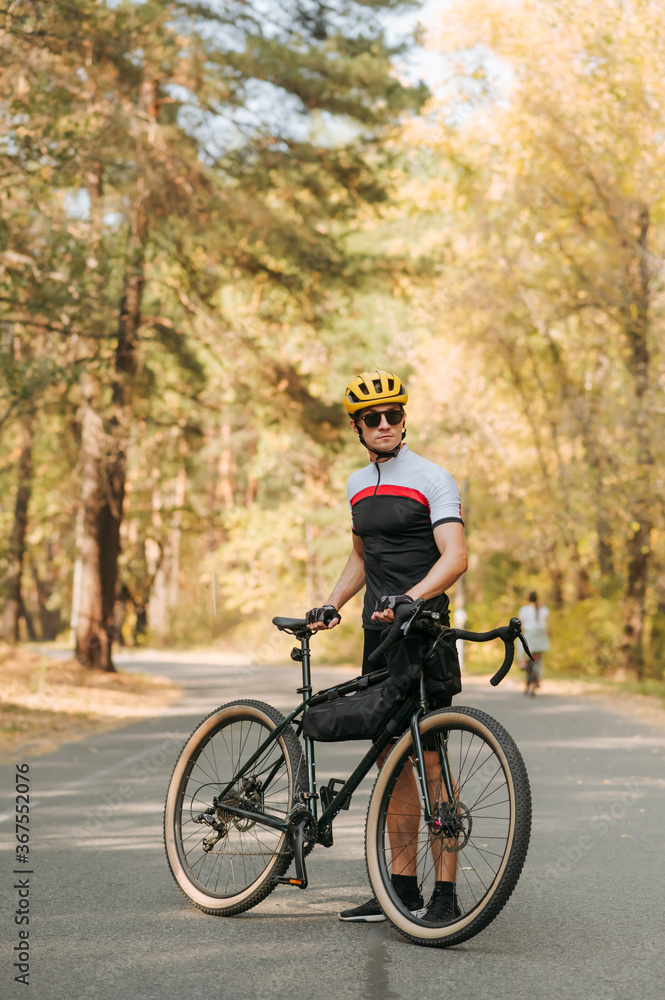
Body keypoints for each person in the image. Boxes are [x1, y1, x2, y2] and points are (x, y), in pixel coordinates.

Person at [305, 370, 467, 923]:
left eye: (392, 415)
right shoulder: (356, 484)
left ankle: (445, 896)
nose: (384, 425)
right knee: (389, 762)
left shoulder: (433, 478)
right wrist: (333, 604)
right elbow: (361, 558)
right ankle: (400, 890)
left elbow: (455, 556)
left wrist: (412, 599)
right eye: (372, 418)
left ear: (404, 418)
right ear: (356, 426)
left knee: (430, 760)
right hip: (377, 639)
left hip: (423, 632)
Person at [518, 591, 550, 697]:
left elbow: (520, 624)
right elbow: (548, 625)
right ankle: (537, 679)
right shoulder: (544, 610)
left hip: (530, 637)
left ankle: (522, 662)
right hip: (540, 637)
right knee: (539, 659)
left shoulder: (524, 610)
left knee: (520, 646)